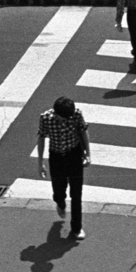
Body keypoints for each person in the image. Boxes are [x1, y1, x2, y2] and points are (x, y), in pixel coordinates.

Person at [37, 96, 90, 241]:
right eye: (63, 117)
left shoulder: (76, 114)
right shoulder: (45, 118)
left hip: (74, 154)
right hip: (56, 157)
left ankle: (76, 228)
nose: (66, 119)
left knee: (76, 193)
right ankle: (60, 202)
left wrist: (87, 154)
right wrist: (40, 162)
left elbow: (83, 133)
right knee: (59, 190)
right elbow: (41, 138)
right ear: (57, 113)